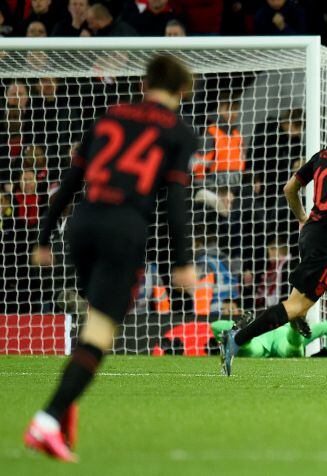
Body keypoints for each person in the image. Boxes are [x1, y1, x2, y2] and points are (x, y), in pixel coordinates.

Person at [24, 55, 199, 463]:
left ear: (144, 84)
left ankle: (64, 411)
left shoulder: (107, 117)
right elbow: (175, 203)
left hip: (82, 225)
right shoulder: (179, 132)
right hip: (123, 229)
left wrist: (44, 237)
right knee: (100, 334)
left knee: (91, 325)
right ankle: (47, 420)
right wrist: (183, 261)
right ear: (183, 92)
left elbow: (69, 182)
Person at [221, 106, 327, 394]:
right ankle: (237, 338)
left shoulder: (323, 155)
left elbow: (290, 188)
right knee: (297, 307)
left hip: (314, 235)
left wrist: (303, 218)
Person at [210, 317, 327, 358]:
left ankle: (240, 333)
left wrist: (231, 327)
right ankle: (294, 330)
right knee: (292, 349)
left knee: (251, 349)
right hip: (284, 331)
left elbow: (214, 326)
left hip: (259, 334)